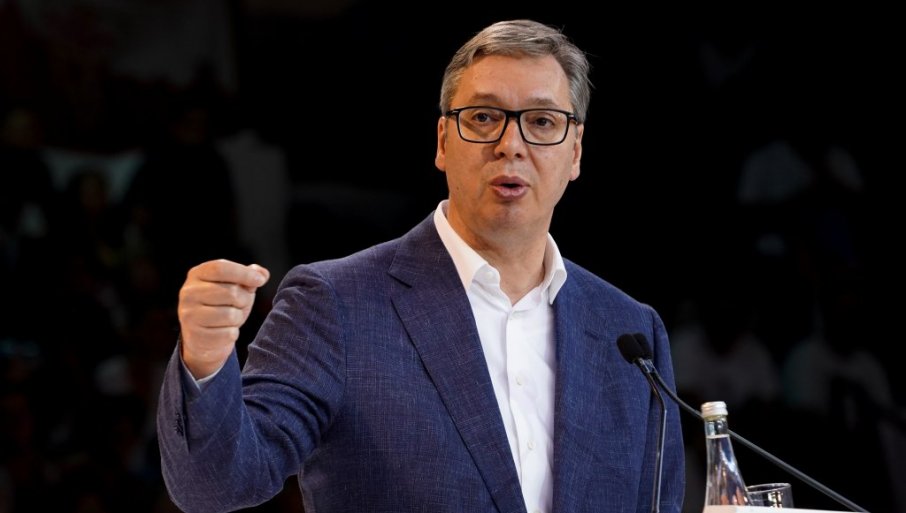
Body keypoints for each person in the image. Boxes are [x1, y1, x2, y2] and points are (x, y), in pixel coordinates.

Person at [156, 19, 685, 513]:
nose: (510, 145)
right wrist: (205, 361)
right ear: (443, 142)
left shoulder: (629, 331)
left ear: (575, 153)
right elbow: (216, 486)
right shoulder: (336, 304)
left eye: (542, 122)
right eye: (483, 118)